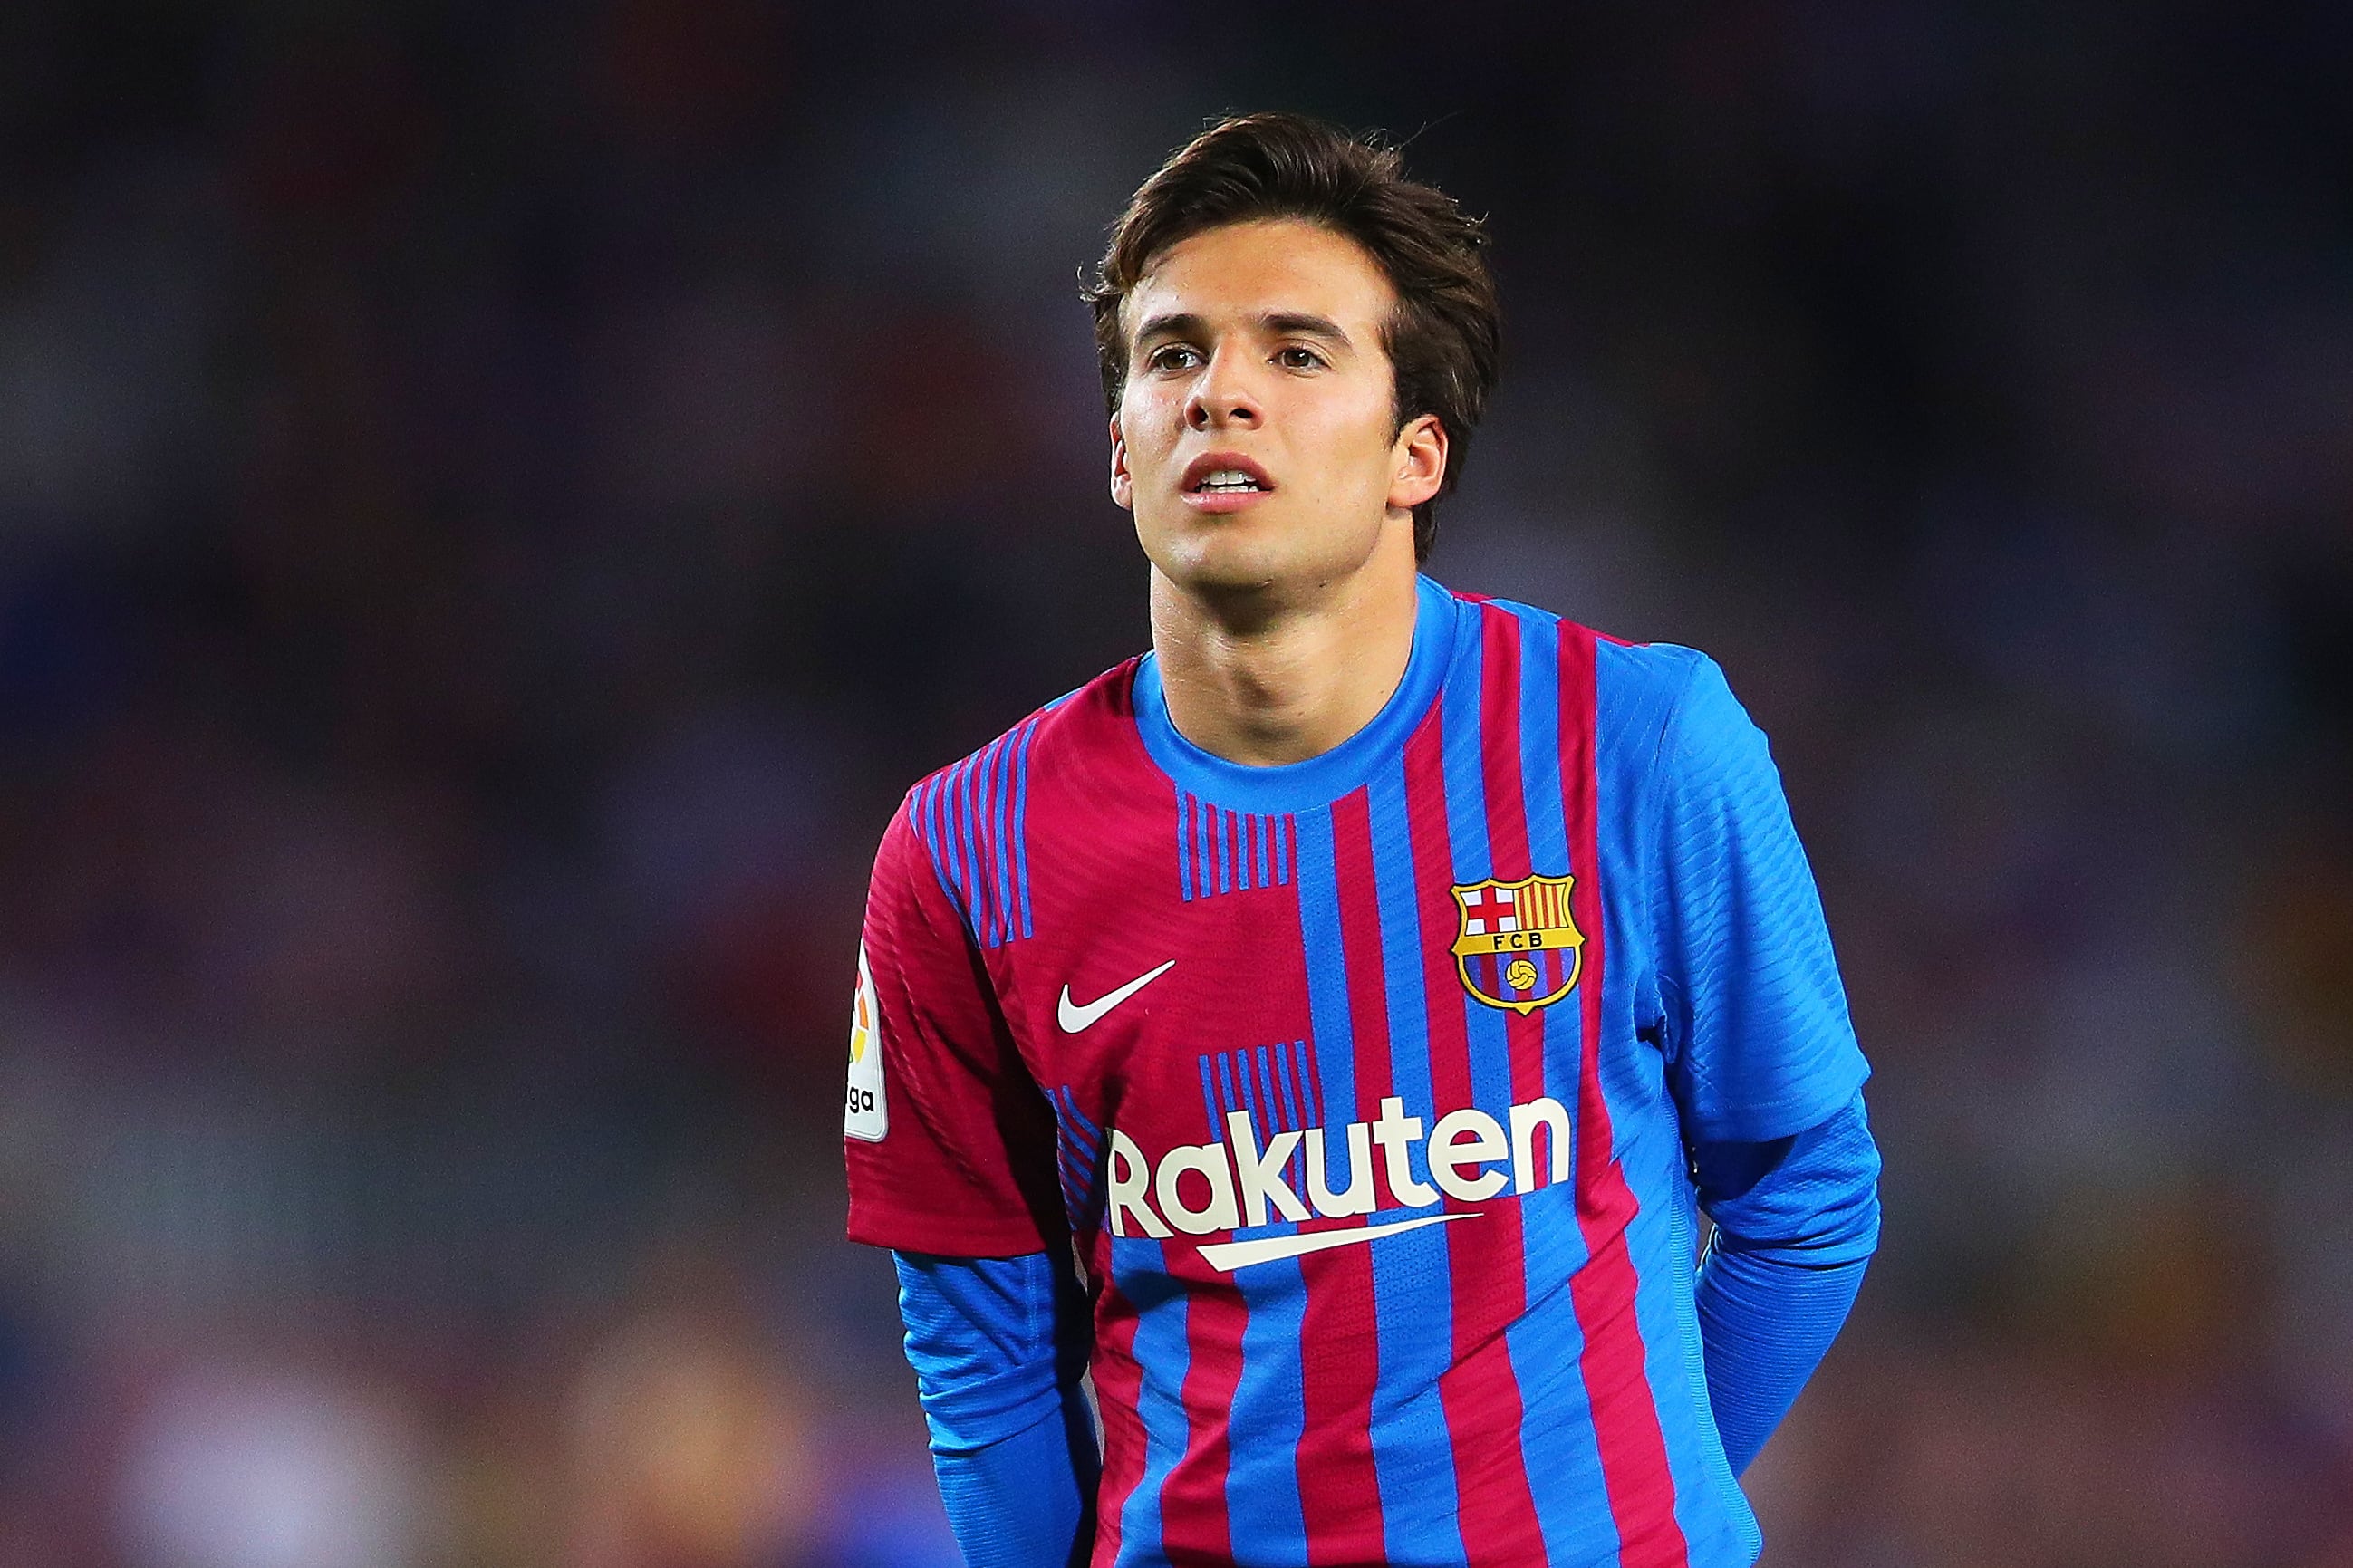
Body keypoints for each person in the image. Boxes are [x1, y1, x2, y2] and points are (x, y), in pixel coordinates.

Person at [842, 111, 1880, 1568]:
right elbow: (985, 1353)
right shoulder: (964, 852)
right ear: (1121, 457)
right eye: (1172, 355)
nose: (1220, 396)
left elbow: (1806, 1201)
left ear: (1416, 453)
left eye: (1295, 352)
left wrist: (1615, 1510)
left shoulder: (1638, 743)